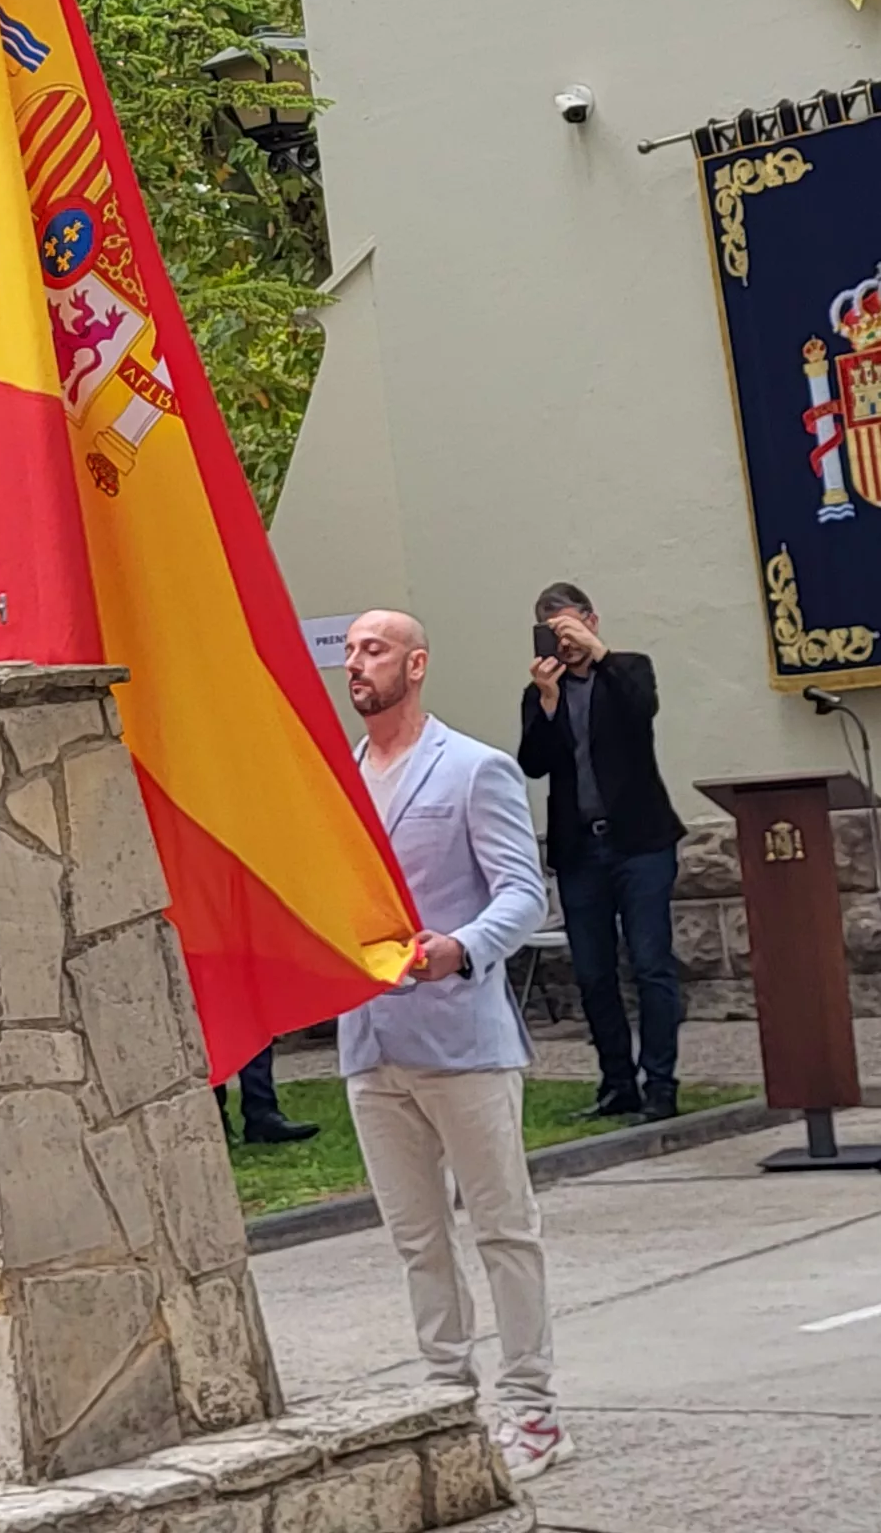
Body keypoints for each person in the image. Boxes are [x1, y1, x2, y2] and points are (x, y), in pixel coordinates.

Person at [337, 611, 568, 1480]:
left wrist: (463, 947)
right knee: (416, 1238)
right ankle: (447, 1399)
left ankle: (533, 1409)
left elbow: (522, 893)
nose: (357, 663)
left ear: (416, 665)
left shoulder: (474, 768)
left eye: (375, 649)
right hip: (371, 1040)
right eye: (350, 651)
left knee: (504, 1230)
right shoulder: (338, 781)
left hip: (462, 1040)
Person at [516, 582, 686, 1118]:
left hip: (641, 844)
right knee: (592, 972)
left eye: (570, 628)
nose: (564, 642)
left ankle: (661, 1083)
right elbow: (533, 764)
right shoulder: (542, 692)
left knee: (651, 963)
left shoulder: (628, 668)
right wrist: (547, 702)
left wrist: (600, 654)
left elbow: (641, 710)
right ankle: (617, 1083)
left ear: (591, 621)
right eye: (553, 633)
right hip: (580, 850)